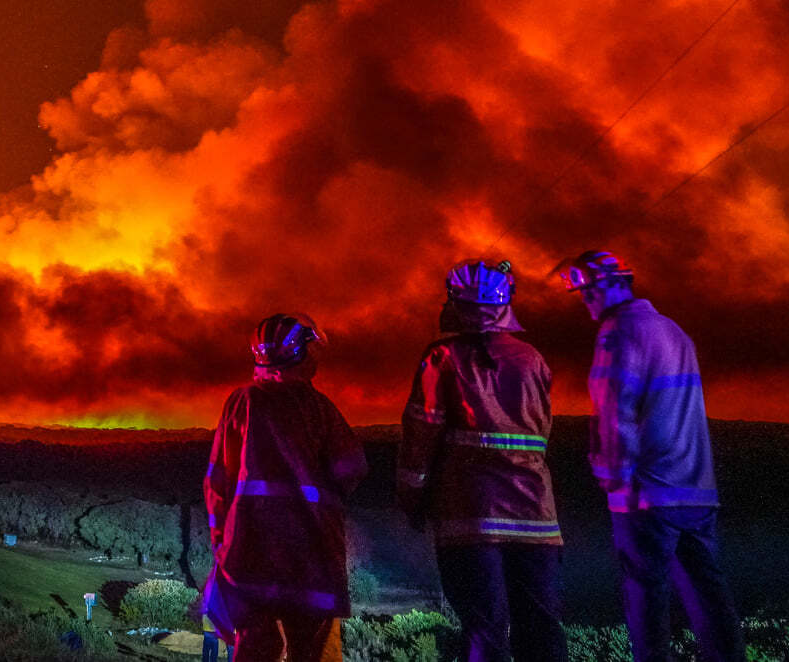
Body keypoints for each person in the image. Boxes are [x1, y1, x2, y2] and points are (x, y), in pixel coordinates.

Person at [558, 250, 744, 662]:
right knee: (709, 599)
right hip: (696, 491)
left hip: (645, 495)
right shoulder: (675, 332)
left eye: (586, 293)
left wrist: (610, 475)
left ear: (607, 286)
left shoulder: (617, 331)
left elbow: (614, 408)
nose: (584, 302)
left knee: (646, 603)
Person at [397, 259, 569, 662]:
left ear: (456, 303)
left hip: (470, 517)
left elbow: (421, 433)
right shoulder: (532, 359)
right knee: (541, 627)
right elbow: (541, 432)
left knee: (484, 629)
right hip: (536, 519)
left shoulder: (442, 358)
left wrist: (411, 498)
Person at [204, 313, 367, 662]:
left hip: (249, 555)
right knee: (311, 652)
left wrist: (221, 542)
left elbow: (217, 481)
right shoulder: (319, 408)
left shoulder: (241, 403)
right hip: (311, 556)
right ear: (301, 354)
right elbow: (351, 470)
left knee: (254, 648)